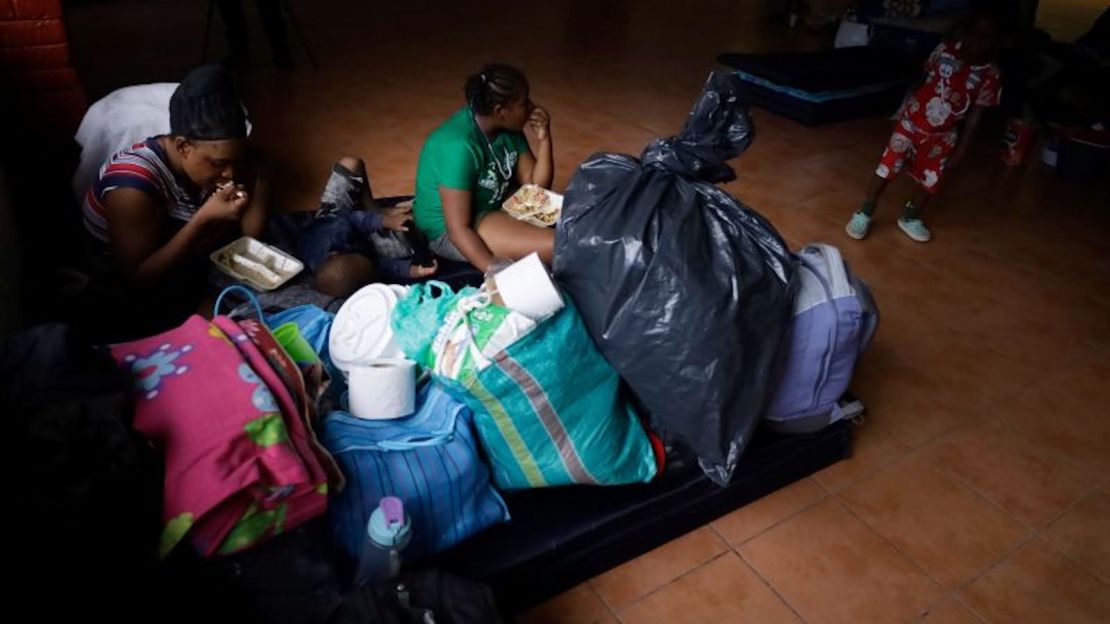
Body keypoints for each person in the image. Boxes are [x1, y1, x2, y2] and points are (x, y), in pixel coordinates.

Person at [81, 64, 267, 332]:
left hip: (181, 261)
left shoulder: (211, 164)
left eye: (235, 161)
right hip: (124, 288)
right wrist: (202, 221)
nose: (229, 173)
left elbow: (251, 240)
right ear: (182, 146)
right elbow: (136, 280)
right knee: (225, 320)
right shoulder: (132, 188)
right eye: (218, 163)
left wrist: (257, 178)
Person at [845, 11, 1004, 243]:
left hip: (943, 136)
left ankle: (910, 215)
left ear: (997, 41)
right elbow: (923, 80)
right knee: (886, 168)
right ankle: (865, 211)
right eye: (974, 34)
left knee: (930, 179)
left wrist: (961, 150)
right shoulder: (945, 51)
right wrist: (902, 111)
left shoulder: (991, 74)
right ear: (965, 31)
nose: (978, 41)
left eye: (986, 37)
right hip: (910, 125)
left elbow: (975, 117)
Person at [411, 63, 555, 272]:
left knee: (567, 219)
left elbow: (536, 190)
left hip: (491, 205)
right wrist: (494, 272)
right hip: (453, 228)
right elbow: (457, 229)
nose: (532, 106)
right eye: (524, 103)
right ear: (500, 111)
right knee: (557, 246)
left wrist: (544, 140)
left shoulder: (507, 128)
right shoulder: (459, 146)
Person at [297, 157, 438, 297]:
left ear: (335, 254)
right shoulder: (358, 270)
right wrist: (413, 271)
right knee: (410, 228)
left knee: (351, 163)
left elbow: (352, 219)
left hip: (335, 216)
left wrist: (385, 221)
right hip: (363, 241)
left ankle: (374, 210)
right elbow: (381, 266)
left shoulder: (332, 235)